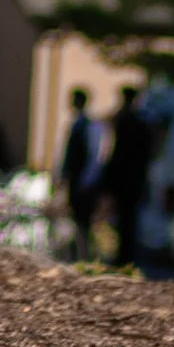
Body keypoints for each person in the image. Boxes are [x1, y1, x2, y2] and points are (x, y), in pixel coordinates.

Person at [102, 82, 153, 270]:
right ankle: (127, 255)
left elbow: (114, 153)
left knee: (124, 219)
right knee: (128, 219)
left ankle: (124, 256)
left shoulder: (125, 121)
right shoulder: (141, 122)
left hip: (124, 178)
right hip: (133, 179)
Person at [57, 87, 110, 260]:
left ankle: (87, 255)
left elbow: (95, 156)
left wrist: (87, 181)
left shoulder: (90, 125)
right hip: (76, 180)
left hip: (84, 182)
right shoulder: (77, 123)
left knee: (83, 221)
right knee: (75, 219)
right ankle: (78, 254)